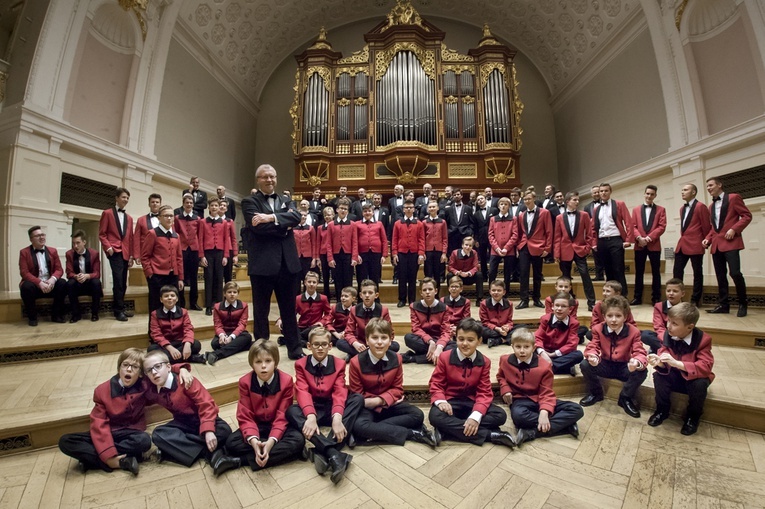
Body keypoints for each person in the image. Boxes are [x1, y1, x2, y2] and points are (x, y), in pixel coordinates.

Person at [242, 164, 305, 360]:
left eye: (273, 176)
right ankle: (262, 350)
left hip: (288, 265)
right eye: (265, 177)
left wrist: (270, 217)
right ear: (258, 180)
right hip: (263, 266)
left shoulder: (286, 200)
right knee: (261, 311)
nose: (270, 180)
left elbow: (296, 217)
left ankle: (295, 349)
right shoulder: (249, 202)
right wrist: (283, 225)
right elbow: (258, 229)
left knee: (289, 310)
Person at [286, 328, 363, 483]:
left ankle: (322, 451)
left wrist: (337, 417)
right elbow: (302, 391)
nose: (320, 348)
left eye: (323, 344)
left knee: (357, 399)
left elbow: (339, 391)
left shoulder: (339, 364)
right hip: (314, 409)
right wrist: (310, 416)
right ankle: (334, 454)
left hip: (331, 408)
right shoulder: (300, 364)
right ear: (309, 346)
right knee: (291, 411)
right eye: (316, 344)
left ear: (330, 346)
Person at [58, 349, 152, 475]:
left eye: (135, 367)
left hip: (130, 433)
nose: (129, 370)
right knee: (66, 441)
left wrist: (182, 369)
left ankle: (91, 460)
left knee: (144, 440)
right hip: (108, 431)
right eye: (125, 365)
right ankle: (119, 461)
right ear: (119, 368)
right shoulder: (102, 391)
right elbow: (99, 422)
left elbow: (162, 370)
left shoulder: (144, 385)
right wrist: (108, 456)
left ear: (141, 374)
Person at [349, 318, 439, 447]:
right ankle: (412, 433)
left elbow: (397, 389)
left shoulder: (397, 358)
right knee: (360, 426)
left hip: (388, 404)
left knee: (417, 415)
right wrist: (380, 400)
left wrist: (379, 401)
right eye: (374, 338)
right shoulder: (355, 362)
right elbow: (357, 396)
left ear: (390, 340)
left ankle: (374, 431)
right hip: (367, 408)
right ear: (367, 340)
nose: (379, 342)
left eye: (384, 338)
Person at [428, 317, 515, 448]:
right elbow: (436, 383)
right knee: (435, 416)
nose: (464, 344)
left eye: (470, 340)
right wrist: (441, 401)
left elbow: (484, 392)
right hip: (451, 402)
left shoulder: (485, 361)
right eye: (461, 339)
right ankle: (490, 435)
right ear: (455, 338)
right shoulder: (445, 357)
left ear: (479, 341)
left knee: (500, 415)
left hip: (472, 402)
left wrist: (475, 416)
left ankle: (448, 431)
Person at [143, 350, 233, 473]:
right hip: (182, 423)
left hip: (202, 419)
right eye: (149, 370)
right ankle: (209, 453)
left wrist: (208, 430)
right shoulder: (152, 389)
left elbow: (206, 404)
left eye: (158, 367)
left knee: (225, 431)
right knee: (158, 434)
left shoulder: (186, 381)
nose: (154, 372)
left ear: (168, 367)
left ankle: (176, 451)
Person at [223, 340, 306, 472]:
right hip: (257, 426)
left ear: (276, 363)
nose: (263, 366)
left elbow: (282, 415)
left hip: (278, 425)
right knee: (231, 443)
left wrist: (271, 442)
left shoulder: (286, 381)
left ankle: (241, 461)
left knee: (298, 440)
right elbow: (245, 415)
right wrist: (254, 442)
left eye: (268, 361)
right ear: (252, 364)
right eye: (258, 362)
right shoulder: (245, 382)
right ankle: (285, 454)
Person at [497, 328, 583, 446]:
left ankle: (531, 432)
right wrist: (505, 388)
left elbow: (546, 391)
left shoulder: (544, 366)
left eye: (526, 347)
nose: (522, 351)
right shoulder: (504, 360)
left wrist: (544, 412)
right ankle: (565, 426)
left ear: (533, 348)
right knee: (519, 417)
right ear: (512, 347)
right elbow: (500, 376)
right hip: (520, 400)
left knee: (577, 410)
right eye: (518, 347)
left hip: (540, 398)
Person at [647, 303, 714, 435]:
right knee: (658, 376)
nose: (668, 326)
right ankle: (662, 410)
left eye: (674, 324)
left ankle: (692, 417)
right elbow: (663, 352)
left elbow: (706, 366)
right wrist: (659, 362)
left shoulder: (703, 340)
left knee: (700, 384)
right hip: (675, 375)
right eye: (668, 321)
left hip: (692, 378)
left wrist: (677, 363)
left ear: (690, 327)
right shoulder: (668, 334)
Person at [580, 296, 647, 418]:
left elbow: (640, 351)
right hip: (605, 364)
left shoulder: (634, 331)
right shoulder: (597, 329)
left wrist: (636, 362)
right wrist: (593, 356)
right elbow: (592, 346)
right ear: (604, 317)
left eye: (618, 316)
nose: (614, 320)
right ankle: (596, 393)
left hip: (624, 366)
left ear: (625, 317)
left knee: (642, 371)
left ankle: (625, 398)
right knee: (585, 364)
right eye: (610, 316)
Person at [703, 177, 752, 317]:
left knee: (735, 273)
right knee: (720, 276)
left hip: (731, 242)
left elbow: (747, 216)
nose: (709, 188)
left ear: (719, 185)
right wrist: (707, 239)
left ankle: (743, 303)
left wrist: (734, 229)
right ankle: (723, 305)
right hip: (717, 245)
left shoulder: (733, 198)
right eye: (707, 186)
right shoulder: (711, 207)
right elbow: (714, 228)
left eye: (711, 185)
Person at [553, 192, 596, 310]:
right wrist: (556, 253)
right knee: (565, 277)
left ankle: (591, 302)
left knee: (585, 276)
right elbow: (557, 237)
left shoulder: (584, 215)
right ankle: (568, 301)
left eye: (578, 200)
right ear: (568, 202)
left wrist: (588, 247)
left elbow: (590, 233)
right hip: (564, 251)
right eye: (575, 200)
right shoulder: (559, 217)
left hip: (580, 249)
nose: (577, 202)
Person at [19, 225, 68, 327]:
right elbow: (24, 272)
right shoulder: (24, 252)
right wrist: (39, 283)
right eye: (37, 236)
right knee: (26, 287)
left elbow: (59, 269)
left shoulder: (52, 251)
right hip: (35, 286)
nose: (41, 237)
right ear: (31, 239)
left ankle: (56, 315)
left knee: (62, 283)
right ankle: (32, 317)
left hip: (50, 284)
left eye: (42, 234)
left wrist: (52, 280)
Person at [99, 187, 135, 321]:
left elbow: (130, 238)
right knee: (118, 282)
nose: (125, 200)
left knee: (123, 283)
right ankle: (118, 311)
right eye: (123, 197)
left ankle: (122, 309)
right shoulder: (107, 213)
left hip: (126, 253)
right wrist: (108, 248)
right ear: (117, 198)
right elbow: (102, 234)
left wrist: (131, 255)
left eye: (127, 198)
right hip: (114, 252)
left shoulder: (129, 218)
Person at [591, 183, 633, 298]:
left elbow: (628, 222)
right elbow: (593, 228)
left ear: (610, 192)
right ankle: (610, 296)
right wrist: (594, 243)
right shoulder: (596, 209)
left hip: (615, 239)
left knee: (618, 269)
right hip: (602, 242)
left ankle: (623, 296)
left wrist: (628, 239)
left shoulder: (619, 204)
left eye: (606, 191)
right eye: (601, 191)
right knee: (607, 270)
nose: (603, 193)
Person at [141, 205, 184, 317]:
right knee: (156, 305)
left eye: (171, 216)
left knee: (174, 305)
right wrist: (150, 274)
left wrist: (180, 278)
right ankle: (154, 332)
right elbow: (145, 256)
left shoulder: (177, 236)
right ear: (159, 218)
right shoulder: (152, 233)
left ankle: (172, 331)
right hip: (157, 276)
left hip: (173, 276)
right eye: (166, 216)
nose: (169, 218)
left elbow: (179, 258)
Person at [338, 279, 398, 358]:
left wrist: (377, 343)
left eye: (370, 293)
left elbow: (390, 333)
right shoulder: (354, 309)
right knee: (340, 343)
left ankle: (358, 354)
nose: (367, 295)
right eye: (364, 293)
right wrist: (355, 343)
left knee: (395, 346)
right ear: (360, 295)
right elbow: (349, 332)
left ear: (376, 295)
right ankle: (372, 354)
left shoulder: (383, 310)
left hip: (377, 342)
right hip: (360, 342)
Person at [673, 183, 710, 307]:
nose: (682, 192)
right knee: (677, 271)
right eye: (682, 190)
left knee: (697, 273)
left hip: (695, 244)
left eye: (685, 190)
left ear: (693, 192)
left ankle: (695, 299)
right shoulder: (682, 208)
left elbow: (706, 226)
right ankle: (676, 298)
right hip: (682, 244)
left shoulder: (701, 207)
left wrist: (706, 240)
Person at [148, 285, 205, 364]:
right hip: (165, 345)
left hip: (180, 342)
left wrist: (187, 344)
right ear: (161, 299)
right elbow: (156, 334)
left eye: (172, 295)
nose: (169, 298)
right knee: (151, 350)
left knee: (196, 345)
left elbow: (188, 328)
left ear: (177, 298)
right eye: (166, 296)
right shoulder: (155, 314)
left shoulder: (183, 311)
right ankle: (191, 357)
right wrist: (170, 348)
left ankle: (168, 360)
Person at [402, 278, 452, 365]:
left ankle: (413, 358)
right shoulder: (414, 306)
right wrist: (430, 341)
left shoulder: (444, 308)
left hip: (438, 339)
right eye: (424, 290)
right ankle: (438, 356)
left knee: (455, 347)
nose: (427, 292)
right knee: (408, 338)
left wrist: (439, 346)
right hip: (423, 340)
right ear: (421, 292)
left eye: (430, 289)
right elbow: (416, 328)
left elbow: (446, 331)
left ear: (436, 291)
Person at [631, 185, 666, 305]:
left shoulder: (661, 209)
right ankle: (637, 297)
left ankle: (656, 297)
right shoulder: (636, 210)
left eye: (652, 194)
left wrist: (649, 238)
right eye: (647, 193)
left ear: (655, 195)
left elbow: (662, 226)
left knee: (656, 272)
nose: (649, 196)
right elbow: (633, 226)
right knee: (639, 272)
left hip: (654, 244)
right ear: (644, 194)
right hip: (639, 244)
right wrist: (639, 238)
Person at [276, 271, 331, 347]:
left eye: (314, 282)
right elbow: (290, 312)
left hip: (315, 327)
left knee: (316, 329)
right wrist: (281, 319)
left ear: (317, 283)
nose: (311, 284)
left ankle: (291, 340)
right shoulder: (298, 298)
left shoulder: (323, 298)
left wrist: (322, 322)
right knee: (284, 325)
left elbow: (329, 314)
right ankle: (302, 340)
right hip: (301, 327)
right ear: (305, 283)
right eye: (309, 282)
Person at [516, 191, 551, 309]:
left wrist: (548, 247)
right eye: (525, 199)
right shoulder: (521, 215)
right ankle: (524, 300)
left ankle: (536, 298)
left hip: (538, 246)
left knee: (537, 274)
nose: (527, 201)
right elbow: (520, 233)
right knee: (523, 274)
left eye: (529, 199)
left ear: (534, 199)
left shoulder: (544, 212)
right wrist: (518, 246)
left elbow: (549, 231)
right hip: (524, 247)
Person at [534, 292, 584, 375]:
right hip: (544, 352)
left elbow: (572, 344)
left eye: (563, 306)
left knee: (578, 355)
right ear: (552, 306)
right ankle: (562, 368)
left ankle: (545, 368)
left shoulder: (574, 323)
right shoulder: (545, 319)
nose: (559, 309)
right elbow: (538, 337)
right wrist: (543, 353)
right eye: (557, 305)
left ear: (570, 309)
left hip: (561, 354)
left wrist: (552, 355)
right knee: (528, 350)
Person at [206, 281, 253, 365]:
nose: (232, 294)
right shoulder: (217, 306)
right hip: (224, 332)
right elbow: (217, 324)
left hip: (238, 333)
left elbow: (242, 324)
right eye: (229, 292)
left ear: (238, 294)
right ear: (224, 294)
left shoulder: (244, 305)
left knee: (247, 337)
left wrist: (231, 337)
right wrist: (222, 335)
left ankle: (217, 354)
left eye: (234, 292)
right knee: (214, 344)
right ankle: (241, 346)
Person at [198, 198, 230, 315]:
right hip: (208, 253)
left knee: (219, 278)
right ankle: (208, 305)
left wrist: (226, 256)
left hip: (220, 253)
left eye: (216, 205)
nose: (214, 207)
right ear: (209, 207)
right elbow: (200, 239)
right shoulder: (203, 222)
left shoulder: (224, 222)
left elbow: (226, 239)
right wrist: (201, 256)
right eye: (212, 205)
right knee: (209, 278)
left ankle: (218, 304)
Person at [392, 200, 425, 308]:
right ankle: (402, 299)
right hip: (401, 253)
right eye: (406, 207)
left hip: (414, 254)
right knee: (402, 277)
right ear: (403, 209)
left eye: (411, 207)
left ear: (414, 209)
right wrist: (394, 253)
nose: (409, 209)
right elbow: (394, 239)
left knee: (412, 278)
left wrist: (421, 253)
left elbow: (421, 239)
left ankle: (411, 300)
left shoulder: (419, 224)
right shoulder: (397, 223)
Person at [66, 230, 103, 322]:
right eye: (73, 243)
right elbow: (69, 272)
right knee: (70, 283)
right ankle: (76, 314)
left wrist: (87, 276)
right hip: (77, 284)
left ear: (84, 242)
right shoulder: (69, 254)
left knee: (96, 282)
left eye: (78, 243)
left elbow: (97, 273)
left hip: (89, 284)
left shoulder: (94, 254)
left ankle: (95, 313)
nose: (75, 246)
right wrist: (75, 276)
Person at [325, 198, 358, 302]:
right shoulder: (331, 224)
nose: (343, 210)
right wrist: (330, 258)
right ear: (337, 210)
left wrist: (354, 257)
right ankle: (340, 302)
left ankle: (349, 302)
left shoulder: (352, 224)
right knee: (337, 279)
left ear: (347, 211)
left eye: (345, 209)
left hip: (348, 255)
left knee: (348, 280)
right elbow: (328, 243)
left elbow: (355, 242)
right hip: (336, 256)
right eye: (341, 208)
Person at [641, 278, 685, 354]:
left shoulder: (686, 308)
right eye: (668, 291)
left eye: (675, 291)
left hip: (679, 337)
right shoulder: (659, 306)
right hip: (665, 336)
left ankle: (658, 349)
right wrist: (667, 340)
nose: (671, 293)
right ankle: (669, 350)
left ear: (683, 294)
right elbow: (659, 327)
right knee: (645, 335)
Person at [175, 193, 203, 311]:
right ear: (183, 203)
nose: (189, 204)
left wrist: (201, 255)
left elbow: (200, 237)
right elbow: (175, 234)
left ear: (193, 204)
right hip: (182, 249)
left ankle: (193, 302)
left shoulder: (198, 219)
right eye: (187, 202)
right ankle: (181, 303)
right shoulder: (177, 218)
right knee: (180, 276)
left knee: (194, 277)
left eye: (191, 203)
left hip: (194, 250)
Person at [354, 202, 388, 289]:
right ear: (362, 213)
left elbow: (384, 240)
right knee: (361, 277)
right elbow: (355, 241)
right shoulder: (357, 224)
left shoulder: (379, 224)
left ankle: (376, 299)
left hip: (376, 254)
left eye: (369, 211)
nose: (367, 213)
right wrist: (356, 254)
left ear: (373, 212)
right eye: (365, 211)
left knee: (375, 277)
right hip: (362, 254)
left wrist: (384, 255)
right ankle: (361, 299)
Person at [488, 197, 518, 289]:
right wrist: (496, 247)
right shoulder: (493, 219)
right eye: (501, 204)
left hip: (509, 250)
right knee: (492, 271)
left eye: (505, 204)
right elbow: (490, 234)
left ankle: (506, 292)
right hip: (495, 249)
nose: (503, 206)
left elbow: (515, 235)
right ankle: (491, 290)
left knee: (507, 273)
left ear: (509, 206)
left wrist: (506, 248)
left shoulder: (513, 219)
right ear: (498, 206)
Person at [446, 236, 484, 303]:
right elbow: (450, 267)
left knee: (479, 274)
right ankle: (452, 297)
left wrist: (468, 273)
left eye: (470, 245)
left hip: (469, 277)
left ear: (472, 247)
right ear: (462, 245)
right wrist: (457, 272)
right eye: (466, 245)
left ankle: (479, 299)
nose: (468, 247)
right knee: (449, 275)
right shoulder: (455, 253)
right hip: (458, 277)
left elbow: (476, 267)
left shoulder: (474, 253)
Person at [480, 280, 516, 348]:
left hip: (504, 329)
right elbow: (485, 322)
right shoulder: (484, 304)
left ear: (504, 292)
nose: (496, 293)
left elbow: (509, 321)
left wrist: (507, 327)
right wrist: (497, 329)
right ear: (490, 291)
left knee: (522, 328)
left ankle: (499, 340)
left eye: (499, 290)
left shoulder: (509, 304)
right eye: (493, 290)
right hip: (491, 329)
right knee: (480, 329)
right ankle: (506, 339)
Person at [423, 200, 448, 291]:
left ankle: (436, 295)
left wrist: (444, 253)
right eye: (430, 207)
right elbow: (422, 238)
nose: (432, 208)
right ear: (427, 209)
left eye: (434, 207)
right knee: (428, 274)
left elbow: (445, 238)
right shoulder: (424, 222)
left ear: (437, 208)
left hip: (439, 250)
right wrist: (422, 252)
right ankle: (427, 292)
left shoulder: (442, 222)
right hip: (428, 250)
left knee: (437, 274)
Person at [132, 193, 162, 266]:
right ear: (149, 204)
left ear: (160, 204)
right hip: (146, 255)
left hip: (162, 254)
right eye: (152, 202)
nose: (155, 204)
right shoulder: (141, 220)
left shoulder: (166, 219)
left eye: (157, 202)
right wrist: (136, 255)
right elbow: (136, 239)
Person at [584, 185, 605, 281]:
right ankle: (599, 275)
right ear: (591, 194)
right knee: (596, 256)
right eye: (594, 192)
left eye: (598, 192)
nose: (596, 194)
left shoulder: (607, 204)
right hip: (594, 234)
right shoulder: (587, 207)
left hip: (606, 233)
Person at [294, 211, 319, 290]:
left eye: (305, 215)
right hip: (296, 257)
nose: (303, 217)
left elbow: (314, 243)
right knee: (296, 279)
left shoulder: (311, 228)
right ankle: (296, 298)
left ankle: (306, 297)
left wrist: (314, 258)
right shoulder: (293, 227)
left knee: (307, 277)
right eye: (301, 215)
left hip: (307, 257)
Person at [445, 188, 473, 256]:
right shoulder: (448, 209)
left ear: (461, 196)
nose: (456, 196)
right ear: (453, 196)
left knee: (466, 255)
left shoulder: (468, 208)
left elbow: (471, 222)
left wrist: (470, 231)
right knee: (453, 255)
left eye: (458, 194)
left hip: (465, 235)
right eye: (454, 195)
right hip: (452, 235)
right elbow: (447, 222)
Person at [316, 207, 335, 300]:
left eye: (330, 214)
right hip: (323, 253)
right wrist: (318, 257)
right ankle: (326, 295)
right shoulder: (320, 228)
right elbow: (318, 242)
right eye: (326, 215)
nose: (328, 216)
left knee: (335, 275)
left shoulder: (336, 226)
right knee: (325, 275)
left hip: (334, 253)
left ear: (333, 215)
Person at [472, 194, 492, 279]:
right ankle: (484, 275)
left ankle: (492, 275)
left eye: (482, 198)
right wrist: (476, 240)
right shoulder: (476, 214)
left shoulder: (493, 210)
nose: (480, 200)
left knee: (492, 257)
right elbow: (475, 228)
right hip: (481, 237)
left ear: (485, 199)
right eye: (478, 199)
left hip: (492, 236)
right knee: (483, 257)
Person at [218, 200, 239, 284]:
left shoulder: (230, 221)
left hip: (229, 249)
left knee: (228, 275)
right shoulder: (212, 220)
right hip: (218, 250)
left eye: (224, 206)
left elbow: (234, 238)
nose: (222, 206)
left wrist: (235, 255)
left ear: (226, 209)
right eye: (220, 205)